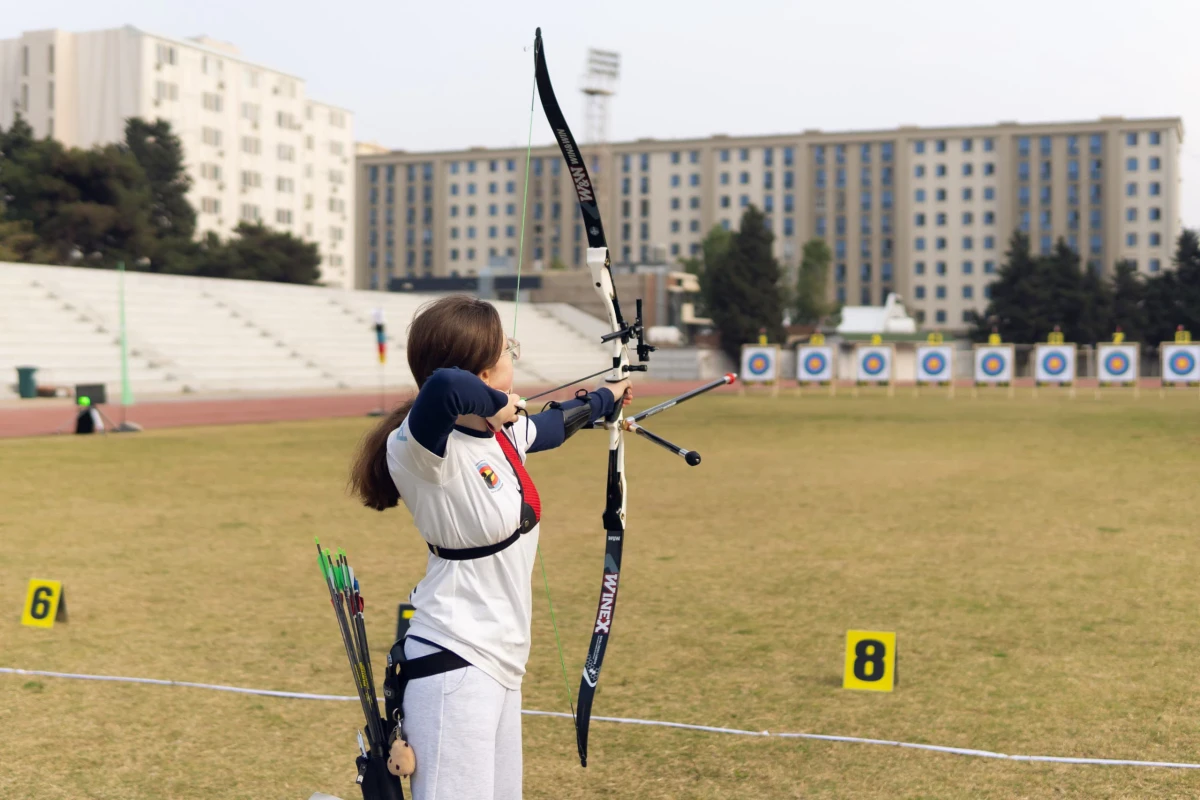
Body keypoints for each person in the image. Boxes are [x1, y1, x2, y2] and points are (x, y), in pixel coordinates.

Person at [349, 295, 632, 800]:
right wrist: (496, 400)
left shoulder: (497, 433)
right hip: (454, 658)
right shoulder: (418, 450)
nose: (514, 359)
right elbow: (443, 388)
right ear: (481, 370)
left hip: (501, 659)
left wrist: (606, 398)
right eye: (507, 350)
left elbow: (549, 426)